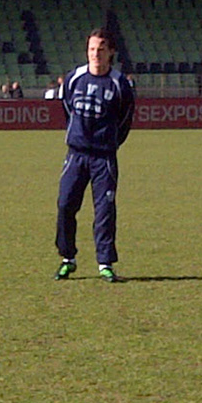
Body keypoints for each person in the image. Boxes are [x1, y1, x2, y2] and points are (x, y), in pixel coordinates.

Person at [56, 28, 137, 283]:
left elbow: (125, 120)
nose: (95, 54)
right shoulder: (74, 78)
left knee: (104, 210)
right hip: (76, 155)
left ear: (111, 52)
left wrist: (109, 143)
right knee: (65, 205)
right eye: (92, 49)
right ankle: (67, 258)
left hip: (104, 158)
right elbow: (67, 107)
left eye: (101, 49)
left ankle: (105, 263)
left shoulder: (120, 84)